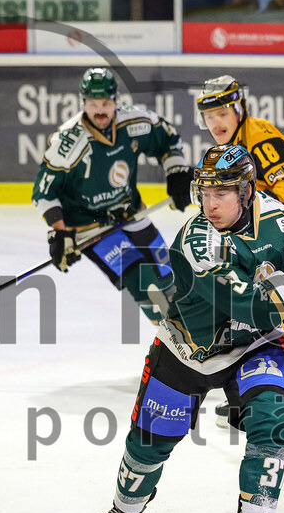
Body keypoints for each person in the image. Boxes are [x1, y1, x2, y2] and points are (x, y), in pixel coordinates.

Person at [78, 145, 284, 513]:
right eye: (205, 192)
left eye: (222, 192)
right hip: (188, 350)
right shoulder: (195, 240)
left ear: (247, 190)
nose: (211, 203)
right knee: (149, 444)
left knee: (274, 423)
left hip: (255, 348)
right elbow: (247, 303)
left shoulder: (279, 220)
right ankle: (124, 509)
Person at [197, 76, 284, 434]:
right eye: (208, 115)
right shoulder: (236, 145)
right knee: (260, 312)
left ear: (239, 108)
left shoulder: (257, 138)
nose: (215, 123)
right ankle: (256, 395)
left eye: (222, 112)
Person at [32, 67, 192, 324]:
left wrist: (177, 173)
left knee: (172, 278)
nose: (100, 110)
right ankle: (177, 345)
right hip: (91, 228)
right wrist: (60, 233)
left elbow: (168, 137)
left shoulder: (134, 123)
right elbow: (43, 192)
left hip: (132, 213)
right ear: (83, 103)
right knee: (146, 286)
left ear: (116, 101)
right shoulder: (67, 143)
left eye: (106, 103)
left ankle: (200, 336)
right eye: (93, 103)